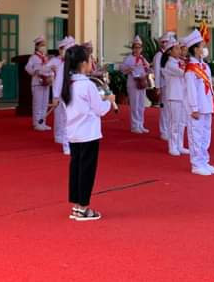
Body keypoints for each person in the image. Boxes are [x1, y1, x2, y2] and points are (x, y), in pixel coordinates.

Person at [62, 44, 117, 221]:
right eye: (90, 59)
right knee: (87, 170)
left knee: (76, 168)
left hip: (74, 133)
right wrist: (109, 100)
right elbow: (100, 109)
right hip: (88, 133)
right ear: (83, 64)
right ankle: (83, 207)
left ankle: (77, 205)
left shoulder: (69, 83)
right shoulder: (87, 85)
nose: (92, 62)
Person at [182, 30, 214, 176]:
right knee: (196, 135)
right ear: (195, 49)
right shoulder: (191, 69)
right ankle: (196, 164)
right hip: (196, 108)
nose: (205, 48)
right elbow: (191, 91)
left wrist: (212, 104)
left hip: (207, 105)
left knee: (205, 135)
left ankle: (204, 161)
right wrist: (194, 108)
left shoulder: (205, 66)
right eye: (202, 46)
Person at [162, 36, 190, 156]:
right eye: (177, 49)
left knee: (182, 122)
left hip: (182, 95)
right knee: (174, 122)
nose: (180, 51)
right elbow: (184, 73)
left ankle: (180, 145)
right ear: (170, 51)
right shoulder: (170, 64)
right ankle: (172, 146)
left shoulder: (181, 62)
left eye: (180, 48)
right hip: (174, 96)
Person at [50, 36, 75, 155]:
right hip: (65, 95)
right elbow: (58, 82)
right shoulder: (62, 66)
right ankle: (66, 145)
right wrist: (55, 97)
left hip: (75, 96)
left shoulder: (75, 66)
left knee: (73, 120)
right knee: (66, 120)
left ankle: (73, 142)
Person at [121, 35, 151, 134]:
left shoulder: (142, 58)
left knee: (141, 105)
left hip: (142, 83)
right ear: (133, 48)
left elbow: (147, 69)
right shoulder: (129, 58)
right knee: (135, 105)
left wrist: (148, 68)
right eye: (136, 47)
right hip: (133, 83)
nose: (138, 49)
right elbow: (122, 69)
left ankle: (141, 124)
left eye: (139, 47)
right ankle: (135, 126)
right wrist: (130, 68)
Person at [25, 35, 53, 131]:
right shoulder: (33, 58)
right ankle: (37, 123)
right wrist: (35, 71)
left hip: (46, 82)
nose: (43, 47)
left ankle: (43, 122)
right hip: (37, 82)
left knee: (45, 104)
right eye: (41, 45)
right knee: (38, 104)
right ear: (37, 46)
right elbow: (27, 68)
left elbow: (50, 68)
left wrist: (50, 76)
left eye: (44, 45)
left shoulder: (46, 57)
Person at [153, 33, 171, 140]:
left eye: (166, 42)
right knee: (164, 109)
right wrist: (157, 87)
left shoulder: (169, 54)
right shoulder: (159, 55)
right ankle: (163, 131)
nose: (165, 44)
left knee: (169, 109)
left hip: (170, 85)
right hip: (163, 84)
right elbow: (156, 71)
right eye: (163, 42)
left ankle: (168, 130)